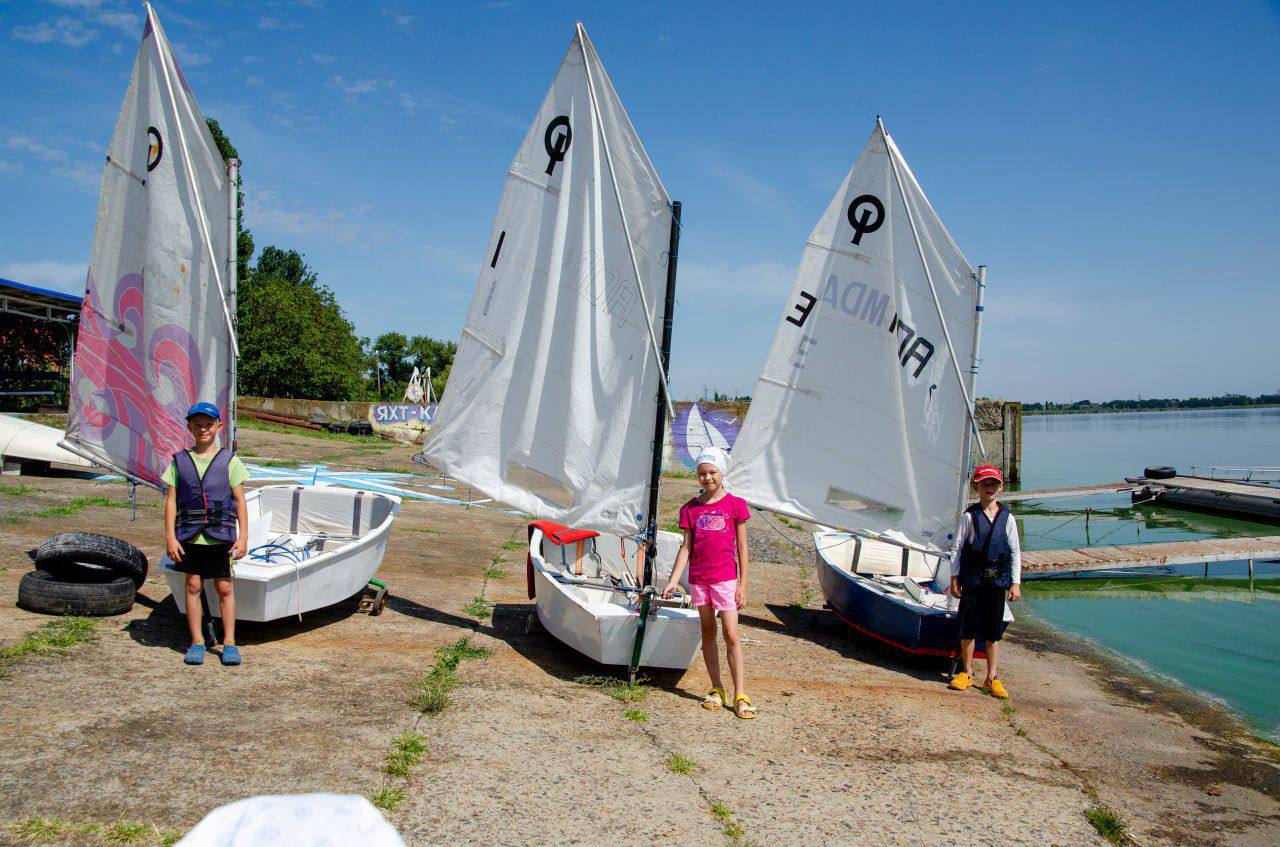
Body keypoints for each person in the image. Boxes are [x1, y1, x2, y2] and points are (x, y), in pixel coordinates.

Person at [662, 447, 755, 719]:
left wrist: (743, 585)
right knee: (707, 632)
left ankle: (740, 693)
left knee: (731, 634)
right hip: (699, 581)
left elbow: (743, 548)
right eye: (702, 473)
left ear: (721, 473)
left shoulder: (735, 505)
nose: (707, 478)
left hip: (726, 580)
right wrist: (673, 580)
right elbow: (686, 548)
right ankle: (717, 687)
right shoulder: (690, 509)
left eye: (712, 472)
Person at [162, 402, 249, 666]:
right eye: (197, 425)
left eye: (208, 425)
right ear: (189, 427)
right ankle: (197, 641)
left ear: (218, 427)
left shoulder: (229, 461)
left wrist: (243, 537)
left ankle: (230, 643)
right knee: (193, 585)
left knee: (224, 586)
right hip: (190, 536)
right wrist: (170, 537)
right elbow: (171, 501)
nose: (203, 429)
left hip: (219, 535)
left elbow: (240, 501)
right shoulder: (179, 461)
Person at [948, 464, 1021, 698]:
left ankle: (992, 677)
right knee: (967, 628)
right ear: (976, 487)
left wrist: (1015, 582)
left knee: (993, 632)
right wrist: (954, 577)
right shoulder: (970, 516)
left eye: (993, 483)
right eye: (984, 483)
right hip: (973, 580)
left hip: (997, 581)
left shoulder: (1008, 518)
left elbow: (1015, 551)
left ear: (1000, 487)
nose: (989, 487)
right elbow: (957, 548)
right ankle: (967, 672)